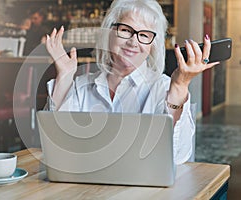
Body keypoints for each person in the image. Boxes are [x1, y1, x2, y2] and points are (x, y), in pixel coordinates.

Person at [44, 0, 219, 164]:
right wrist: (65, 77)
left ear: (153, 45)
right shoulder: (81, 86)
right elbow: (55, 144)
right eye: (126, 30)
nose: (133, 42)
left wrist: (180, 86)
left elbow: (177, 157)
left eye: (144, 35)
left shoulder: (164, 88)